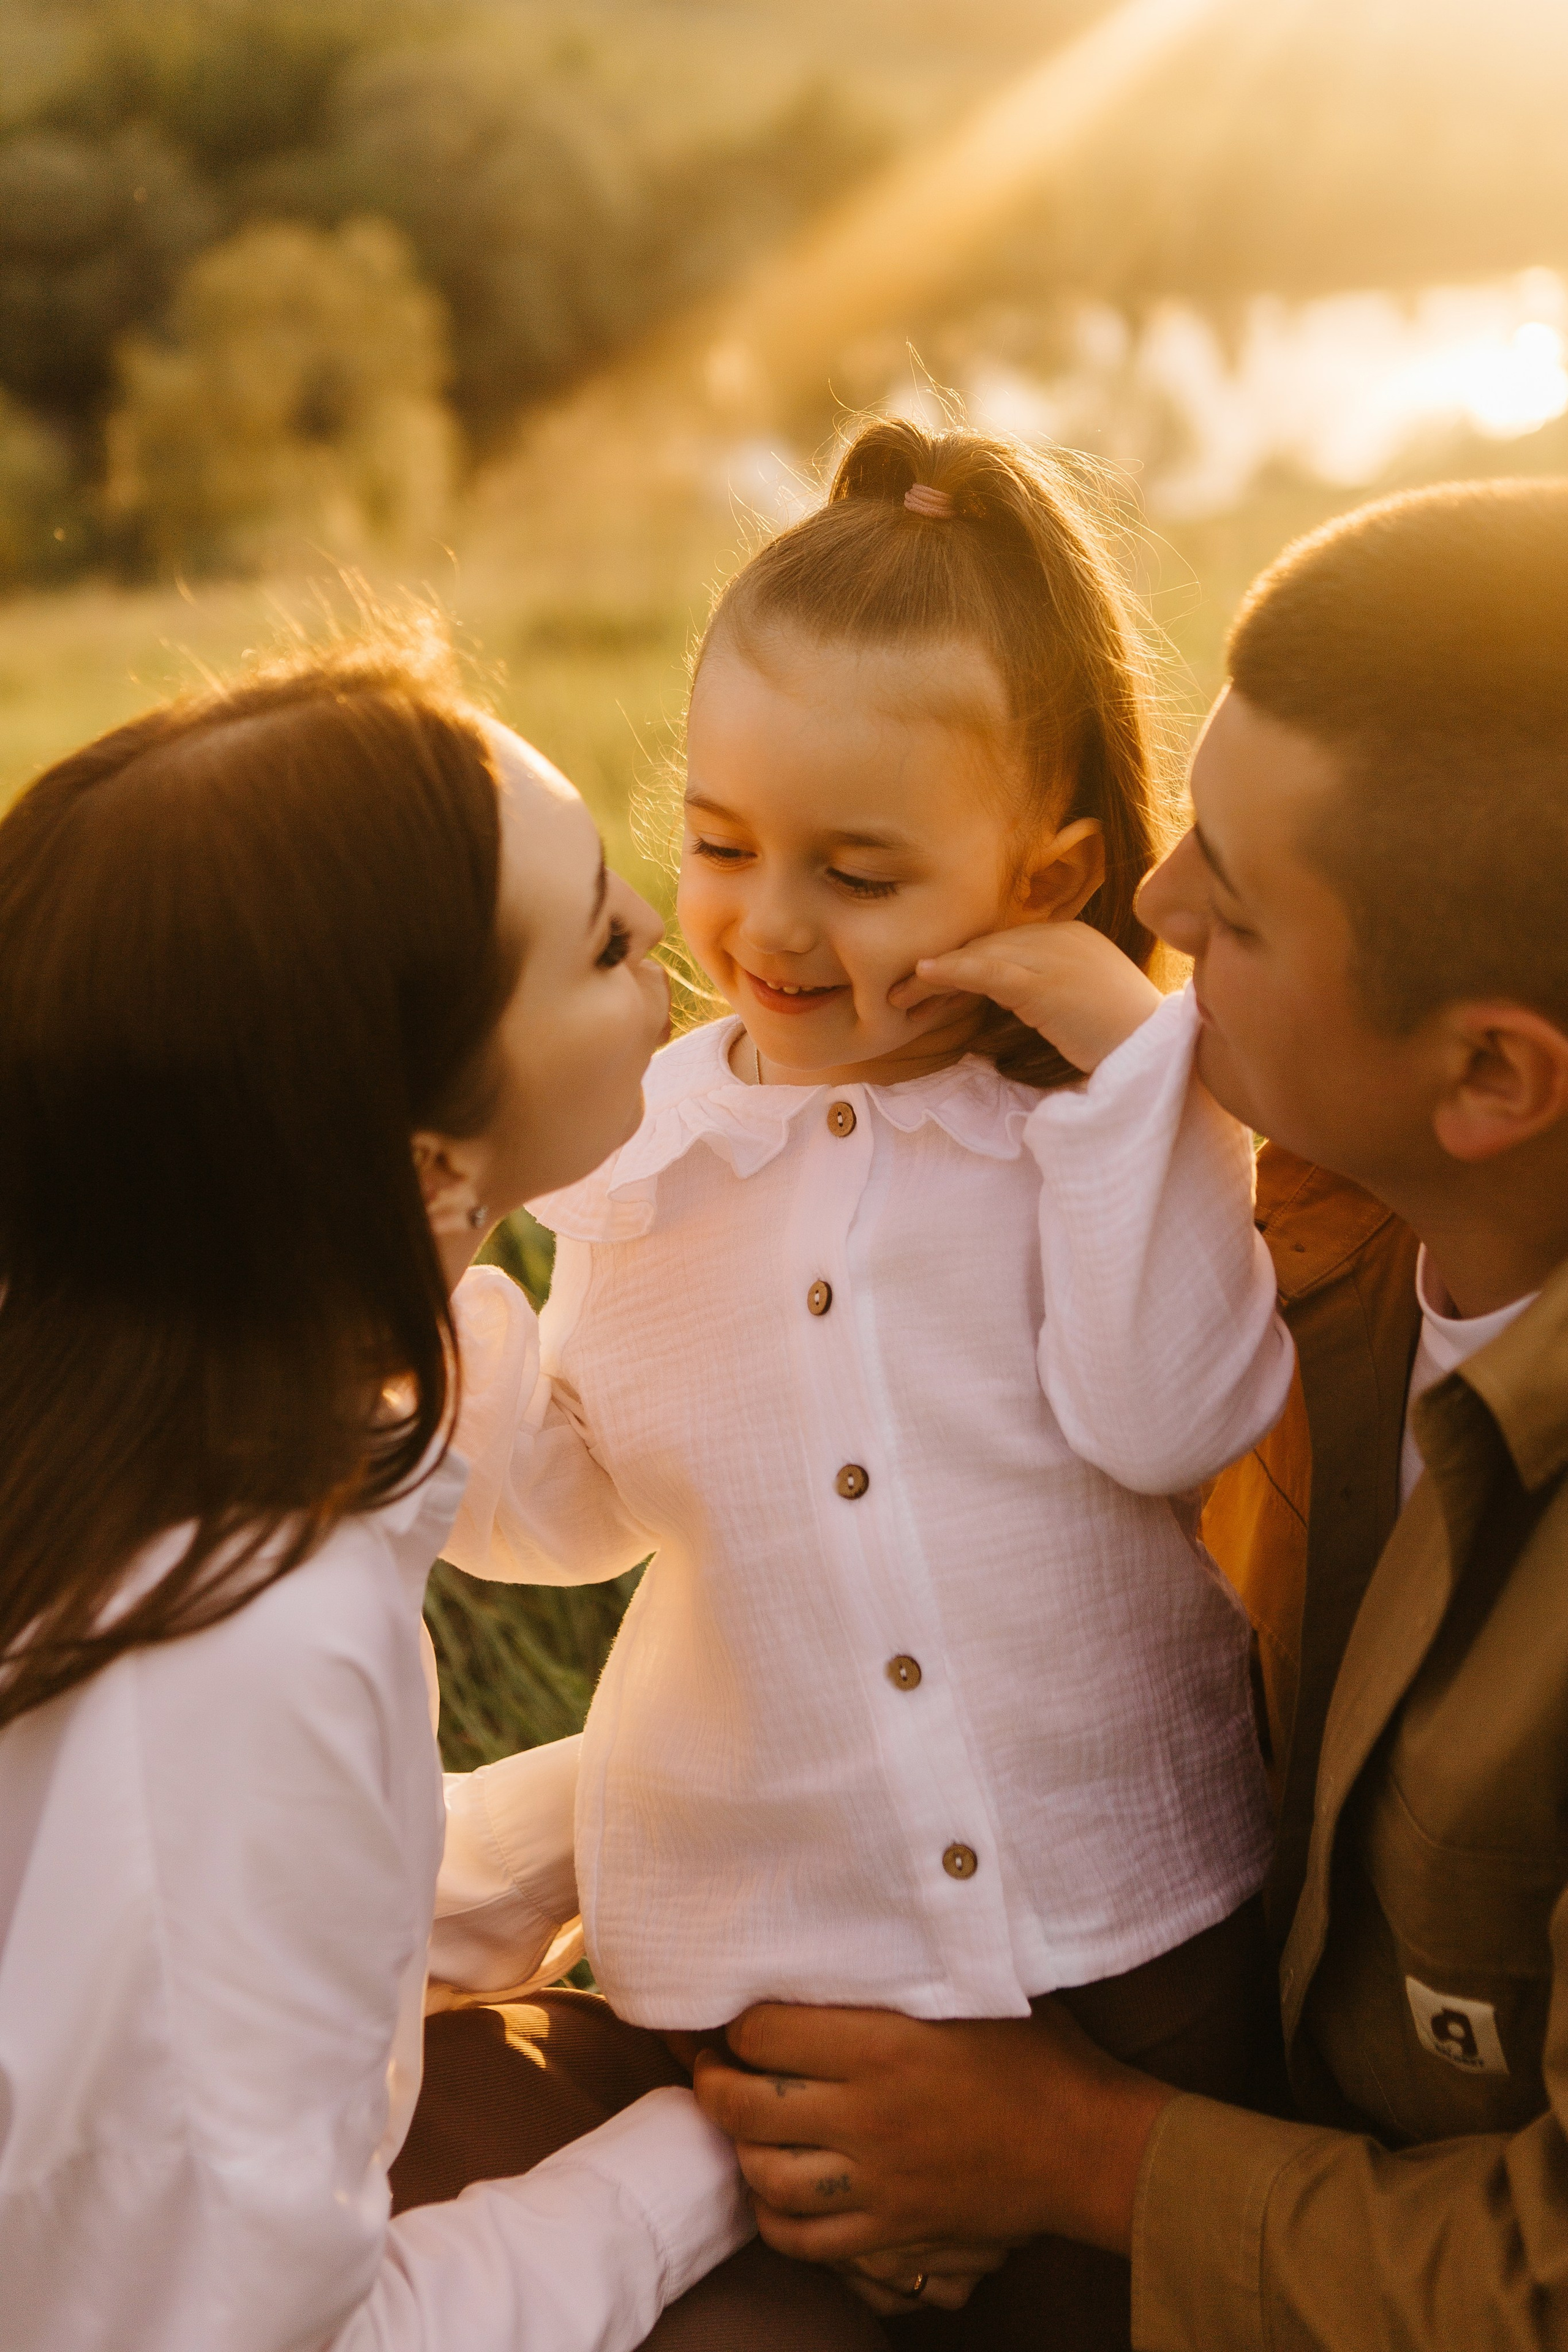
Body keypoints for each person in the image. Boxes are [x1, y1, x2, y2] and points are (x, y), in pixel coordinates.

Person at [436, 417, 1294, 2335]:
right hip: (779, 1975)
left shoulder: (1083, 1138)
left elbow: (1177, 1417)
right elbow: (565, 1523)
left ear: (1047, 871)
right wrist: (442, 1296)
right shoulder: (647, 1155)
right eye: (724, 846)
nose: (771, 924)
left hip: (1129, 1944)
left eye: (865, 872)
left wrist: (1124, 1056)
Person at [690, 478, 1568, 2350]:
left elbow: (1542, 2275)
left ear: (1490, 1072)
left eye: (1227, 903)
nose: (1146, 900)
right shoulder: (1295, 1234)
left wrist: (1080, 2154)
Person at [0, 633, 755, 2351]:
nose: (661, 927)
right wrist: (702, 2164)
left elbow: (187, 1959)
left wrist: (618, 1812)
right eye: (593, 941)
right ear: (425, 1161)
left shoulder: (149, 1398)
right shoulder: (244, 1654)